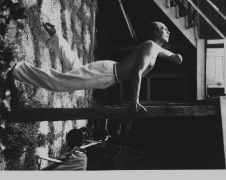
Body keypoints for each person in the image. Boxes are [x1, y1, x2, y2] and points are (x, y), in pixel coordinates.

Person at [9, 21, 182, 117]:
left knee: (77, 68)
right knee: (60, 84)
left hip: (108, 76)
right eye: (163, 28)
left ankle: (56, 37)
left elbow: (165, 53)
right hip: (107, 73)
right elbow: (137, 72)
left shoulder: (156, 48)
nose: (168, 31)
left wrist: (174, 56)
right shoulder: (150, 46)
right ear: (155, 33)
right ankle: (17, 69)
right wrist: (134, 100)